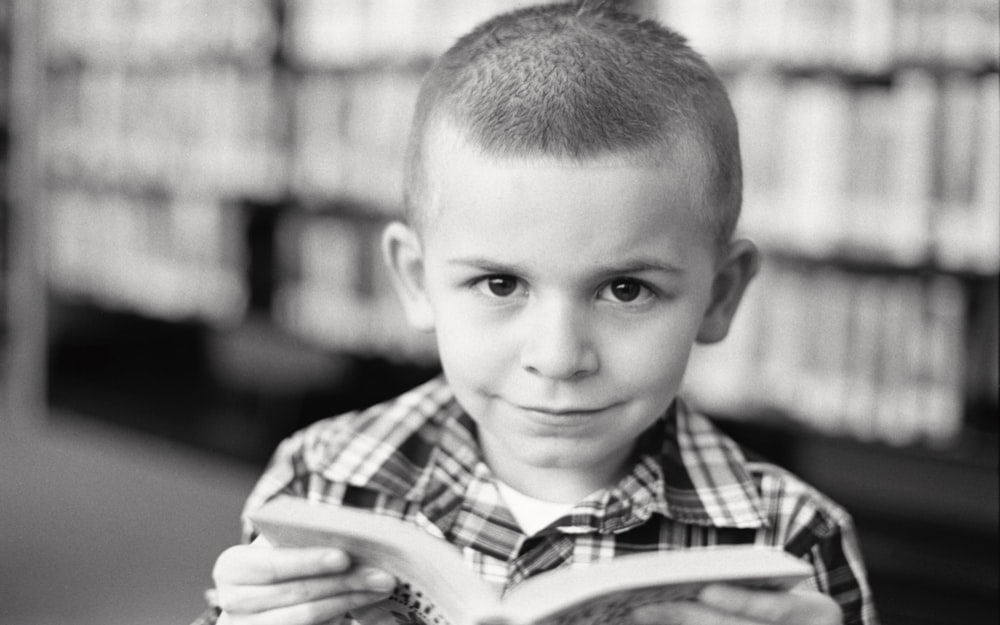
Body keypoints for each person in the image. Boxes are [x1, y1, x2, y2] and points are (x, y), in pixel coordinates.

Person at [196, 2, 877, 624]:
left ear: (720, 294)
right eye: (499, 284)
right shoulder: (319, 479)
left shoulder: (792, 537)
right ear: (415, 280)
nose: (557, 356)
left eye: (626, 290)